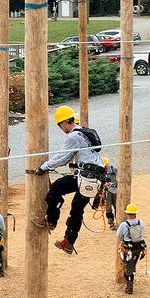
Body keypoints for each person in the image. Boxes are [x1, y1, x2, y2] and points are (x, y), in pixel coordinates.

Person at [41, 105, 104, 254]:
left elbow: (62, 158)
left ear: (64, 123)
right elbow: (70, 157)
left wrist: (43, 167)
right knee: (77, 209)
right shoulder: (84, 133)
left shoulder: (73, 136)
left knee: (57, 187)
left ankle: (51, 220)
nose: (61, 128)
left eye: (60, 125)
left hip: (86, 175)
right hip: (96, 178)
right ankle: (69, 242)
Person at [114, 203, 145, 294]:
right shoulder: (141, 223)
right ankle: (131, 272)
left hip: (128, 249)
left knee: (128, 268)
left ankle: (129, 287)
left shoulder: (124, 224)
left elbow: (119, 235)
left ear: (127, 213)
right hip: (138, 248)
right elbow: (141, 235)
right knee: (132, 264)